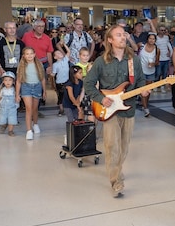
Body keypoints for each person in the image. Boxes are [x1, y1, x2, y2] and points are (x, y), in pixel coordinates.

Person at [84, 24, 148, 197]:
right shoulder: (101, 61)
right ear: (110, 40)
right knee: (112, 146)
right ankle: (116, 181)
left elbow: (141, 80)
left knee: (124, 147)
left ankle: (117, 169)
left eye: (124, 34)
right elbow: (88, 84)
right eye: (118, 35)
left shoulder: (133, 60)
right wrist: (100, 98)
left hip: (129, 109)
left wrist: (143, 89)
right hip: (109, 109)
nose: (122, 37)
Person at [16, 47, 47, 140]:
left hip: (37, 86)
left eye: (31, 53)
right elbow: (18, 81)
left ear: (34, 54)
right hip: (26, 87)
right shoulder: (21, 66)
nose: (29, 56)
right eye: (27, 54)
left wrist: (44, 91)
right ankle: (29, 130)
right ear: (24, 56)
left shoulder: (39, 64)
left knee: (35, 109)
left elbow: (42, 78)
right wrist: (17, 94)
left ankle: (35, 124)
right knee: (28, 109)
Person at [0, 71, 18, 136]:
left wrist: (17, 102)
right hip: (3, 108)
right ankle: (4, 125)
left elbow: (17, 97)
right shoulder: (2, 90)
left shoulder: (14, 90)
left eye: (10, 80)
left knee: (12, 119)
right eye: (6, 80)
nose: (8, 82)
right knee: (2, 119)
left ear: (13, 82)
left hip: (12, 108)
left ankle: (10, 131)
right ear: (3, 81)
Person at [138, 32, 159, 117]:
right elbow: (134, 51)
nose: (151, 40)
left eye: (153, 39)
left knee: (148, 90)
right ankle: (146, 108)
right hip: (141, 71)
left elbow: (157, 61)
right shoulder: (141, 46)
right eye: (150, 38)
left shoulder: (157, 49)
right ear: (147, 39)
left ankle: (145, 103)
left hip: (151, 71)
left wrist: (153, 64)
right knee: (143, 89)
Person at [52, 43, 71, 117]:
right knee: (61, 96)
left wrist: (65, 45)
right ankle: (61, 109)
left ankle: (67, 108)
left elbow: (68, 52)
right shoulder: (55, 65)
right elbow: (54, 73)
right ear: (55, 57)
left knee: (68, 95)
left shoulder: (65, 60)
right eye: (58, 53)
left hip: (67, 81)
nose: (60, 53)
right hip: (59, 82)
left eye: (60, 52)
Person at [155, 25, 173, 91]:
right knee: (158, 73)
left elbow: (169, 46)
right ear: (158, 31)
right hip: (159, 58)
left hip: (166, 58)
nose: (163, 32)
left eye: (164, 30)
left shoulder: (166, 37)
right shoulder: (155, 38)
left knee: (165, 73)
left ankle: (162, 86)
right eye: (161, 30)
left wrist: (170, 54)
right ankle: (156, 85)